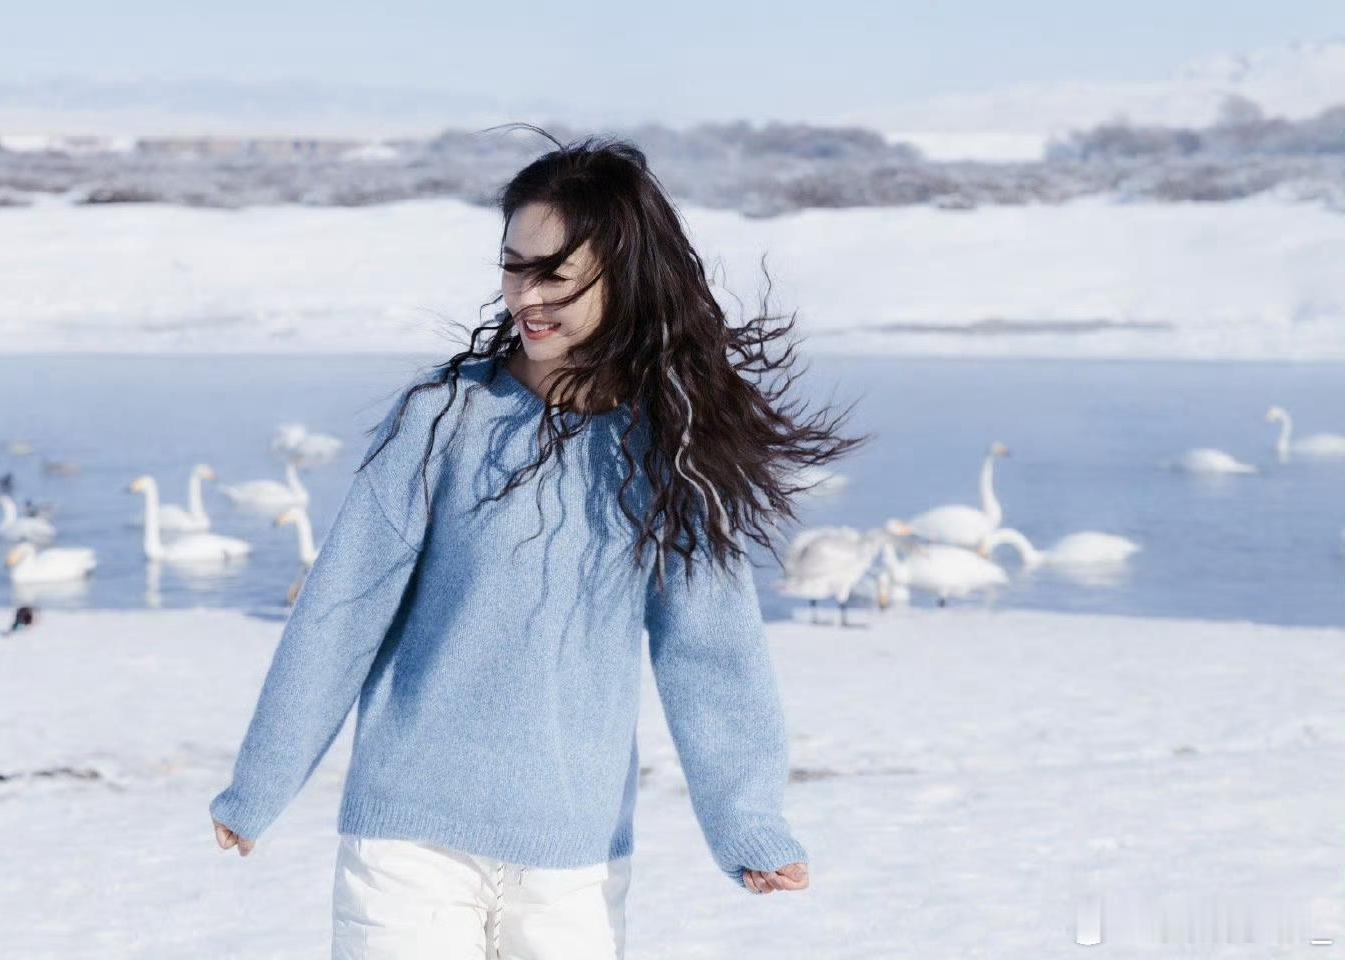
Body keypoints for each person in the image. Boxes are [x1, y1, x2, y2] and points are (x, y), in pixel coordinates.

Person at [208, 126, 868, 959]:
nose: (527, 295)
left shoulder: (668, 451)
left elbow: (711, 652)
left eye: (555, 272)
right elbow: (342, 610)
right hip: (408, 840)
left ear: (621, 277)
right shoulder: (442, 419)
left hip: (573, 862)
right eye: (514, 266)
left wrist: (748, 821)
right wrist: (262, 780)